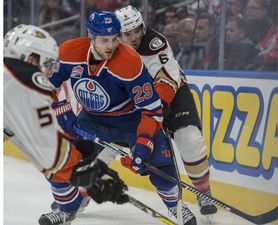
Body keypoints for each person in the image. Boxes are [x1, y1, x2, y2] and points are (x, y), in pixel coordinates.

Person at [47, 10, 197, 225]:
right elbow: (43, 84)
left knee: (161, 166)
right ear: (91, 37)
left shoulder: (129, 61)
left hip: (131, 121)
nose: (111, 45)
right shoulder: (69, 52)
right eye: (104, 40)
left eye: (115, 39)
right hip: (91, 120)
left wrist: (143, 144)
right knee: (62, 157)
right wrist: (60, 107)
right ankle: (67, 208)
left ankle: (176, 207)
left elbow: (152, 110)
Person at [4, 24, 128, 225]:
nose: (48, 71)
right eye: (47, 63)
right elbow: (50, 152)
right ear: (31, 59)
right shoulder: (25, 81)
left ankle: (68, 206)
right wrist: (90, 176)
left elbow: (36, 144)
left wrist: (74, 154)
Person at [115, 5, 217, 215]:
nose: (134, 37)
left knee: (190, 139)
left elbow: (166, 81)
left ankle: (204, 193)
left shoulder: (154, 43)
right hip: (136, 100)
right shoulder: (109, 48)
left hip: (172, 95)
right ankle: (79, 196)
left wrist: (154, 112)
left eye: (137, 30)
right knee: (103, 146)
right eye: (128, 33)